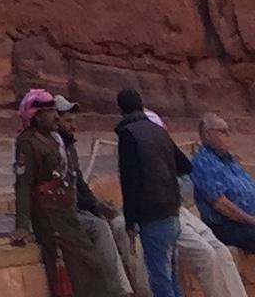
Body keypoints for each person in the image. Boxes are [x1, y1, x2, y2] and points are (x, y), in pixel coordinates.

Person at [17, 91, 127, 297]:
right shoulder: (28, 143)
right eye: (50, 112)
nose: (55, 117)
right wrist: (22, 225)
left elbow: (76, 183)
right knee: (74, 270)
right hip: (49, 217)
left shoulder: (57, 142)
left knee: (91, 268)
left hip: (67, 214)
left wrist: (95, 206)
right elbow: (23, 184)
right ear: (37, 117)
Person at [115, 91, 185, 297]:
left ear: (120, 109)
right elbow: (184, 165)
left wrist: (130, 221)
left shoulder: (128, 134)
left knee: (160, 280)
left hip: (152, 216)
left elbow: (129, 182)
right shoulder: (159, 131)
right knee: (172, 277)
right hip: (172, 211)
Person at [187, 116, 255, 258]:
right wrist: (251, 220)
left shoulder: (230, 161)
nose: (228, 135)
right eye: (222, 131)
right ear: (207, 134)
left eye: (228, 131)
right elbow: (221, 204)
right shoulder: (203, 163)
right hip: (228, 225)